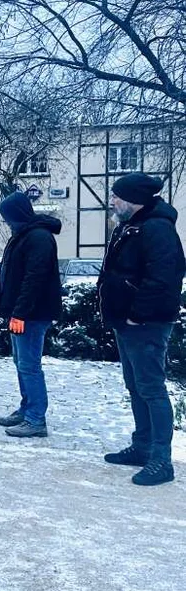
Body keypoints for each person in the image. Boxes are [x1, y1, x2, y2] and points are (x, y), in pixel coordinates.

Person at [98, 172, 185, 486]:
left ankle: (161, 461)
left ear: (133, 199)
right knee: (136, 386)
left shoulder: (157, 229)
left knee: (151, 388)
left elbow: (165, 278)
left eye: (117, 196)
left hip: (146, 323)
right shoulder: (130, 226)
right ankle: (143, 446)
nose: (113, 201)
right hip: (128, 322)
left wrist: (138, 314)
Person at [0, 191, 63, 438]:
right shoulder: (23, 235)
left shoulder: (38, 237)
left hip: (30, 315)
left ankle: (35, 419)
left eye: (8, 217)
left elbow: (35, 279)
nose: (6, 222)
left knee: (30, 366)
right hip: (19, 313)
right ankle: (26, 409)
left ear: (18, 214)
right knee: (21, 364)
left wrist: (19, 313)